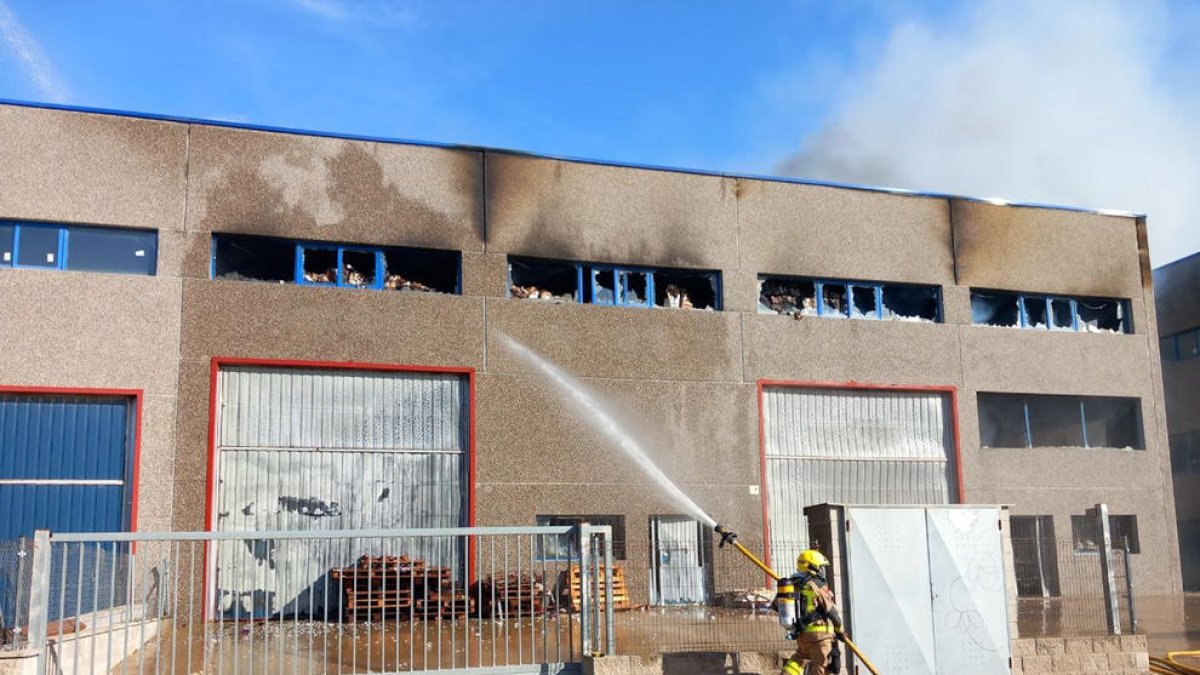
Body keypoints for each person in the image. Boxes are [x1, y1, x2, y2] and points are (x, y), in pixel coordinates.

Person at [780, 549, 846, 675]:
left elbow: (776, 605)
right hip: (821, 636)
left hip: (803, 634)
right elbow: (832, 611)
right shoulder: (817, 584)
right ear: (812, 566)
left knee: (800, 659)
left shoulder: (791, 583)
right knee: (820, 669)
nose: (821, 570)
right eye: (820, 567)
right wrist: (840, 631)